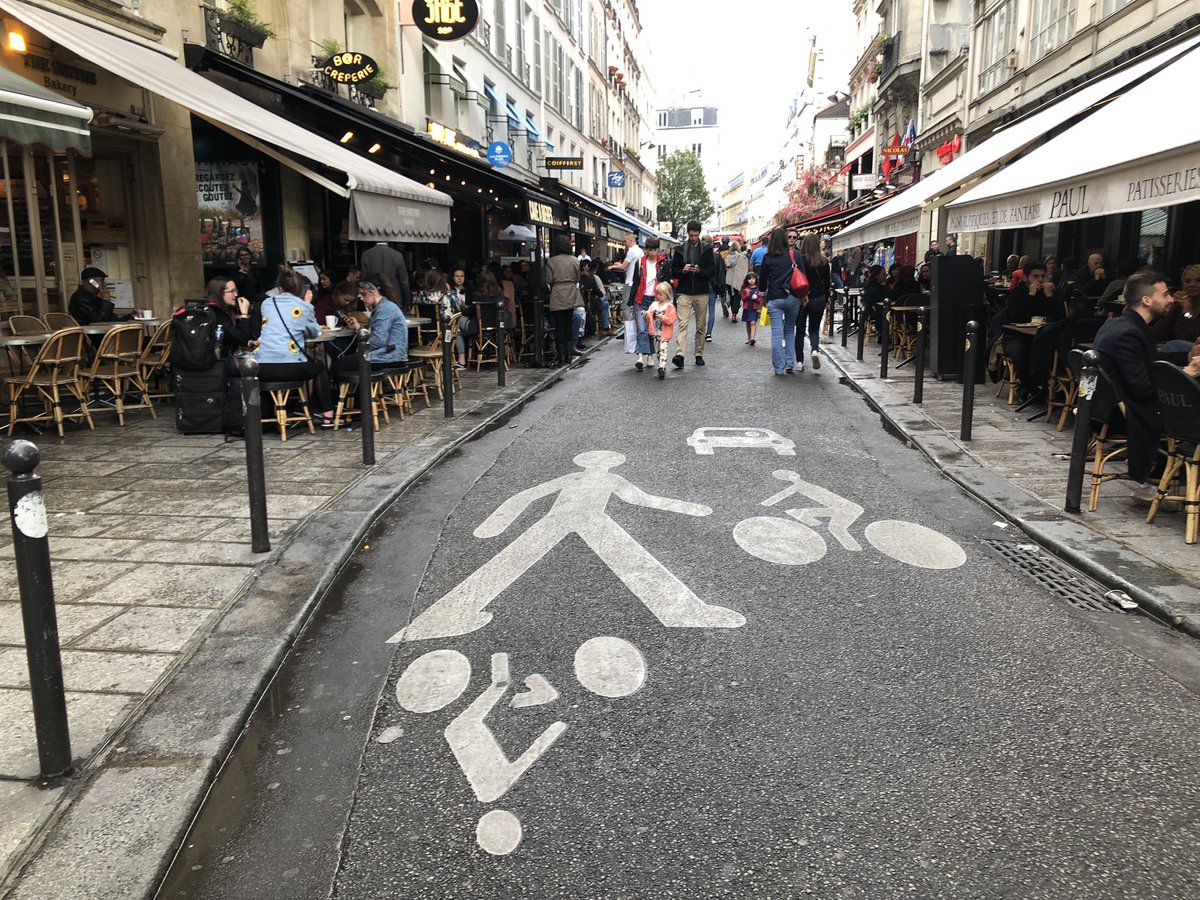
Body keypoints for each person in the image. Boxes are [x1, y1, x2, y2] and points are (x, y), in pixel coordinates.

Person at [1093, 269, 1200, 493]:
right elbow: (1141, 387)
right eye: (1165, 295)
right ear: (1146, 300)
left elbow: (1149, 362)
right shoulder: (1128, 333)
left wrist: (1185, 357)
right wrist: (1186, 374)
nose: (1171, 299)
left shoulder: (1122, 324)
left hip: (1120, 406)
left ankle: (1169, 474)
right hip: (1128, 414)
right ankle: (1180, 476)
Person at [253, 266, 332, 425]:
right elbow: (314, 333)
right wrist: (308, 305)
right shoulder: (302, 306)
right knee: (320, 365)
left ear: (279, 288)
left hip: (262, 366)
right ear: (300, 289)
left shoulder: (266, 304)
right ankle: (328, 414)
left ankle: (275, 413)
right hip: (290, 366)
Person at [1002, 261, 1064, 402]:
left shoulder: (1047, 292)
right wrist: (1030, 296)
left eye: (1042, 276)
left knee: (1050, 352)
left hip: (1041, 335)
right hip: (1016, 335)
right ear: (1026, 278)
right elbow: (1014, 317)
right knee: (1021, 352)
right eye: (1035, 276)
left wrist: (1050, 297)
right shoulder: (1018, 293)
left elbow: (1060, 318)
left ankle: (1043, 387)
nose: (1040, 280)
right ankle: (1028, 386)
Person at [331, 280, 408, 376]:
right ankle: (357, 390)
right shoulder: (384, 307)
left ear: (373, 293)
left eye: (363, 294)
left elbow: (379, 340)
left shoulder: (384, 309)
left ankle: (354, 390)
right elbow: (375, 335)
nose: (361, 298)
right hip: (389, 355)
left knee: (338, 364)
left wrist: (361, 348)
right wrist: (358, 327)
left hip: (388, 357)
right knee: (345, 361)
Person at [757, 226, 803, 375]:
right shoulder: (794, 254)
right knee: (790, 330)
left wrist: (763, 293)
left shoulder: (768, 256)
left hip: (775, 298)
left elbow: (762, 281)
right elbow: (803, 274)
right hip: (793, 297)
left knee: (776, 333)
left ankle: (779, 367)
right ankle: (790, 362)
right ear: (785, 239)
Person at [670, 221, 714, 369]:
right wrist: (683, 270)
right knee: (682, 324)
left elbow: (711, 271)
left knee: (701, 325)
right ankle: (680, 354)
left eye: (696, 235)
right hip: (684, 291)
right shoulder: (680, 250)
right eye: (691, 235)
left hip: (701, 292)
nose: (694, 238)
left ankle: (699, 354)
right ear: (687, 234)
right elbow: (674, 271)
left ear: (699, 234)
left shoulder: (707, 249)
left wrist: (699, 270)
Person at [545, 235, 582, 367]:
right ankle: (569, 355)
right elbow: (578, 279)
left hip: (558, 293)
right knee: (568, 323)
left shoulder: (551, 261)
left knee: (559, 325)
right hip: (571, 292)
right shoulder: (575, 260)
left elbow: (548, 280)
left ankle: (561, 356)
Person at [797, 233, 830, 371]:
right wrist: (827, 298)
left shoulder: (801, 260)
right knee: (814, 329)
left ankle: (799, 361)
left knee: (799, 330)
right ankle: (814, 350)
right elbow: (827, 283)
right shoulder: (824, 261)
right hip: (819, 298)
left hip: (803, 298)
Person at [629, 237, 661, 370]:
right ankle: (641, 356)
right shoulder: (640, 262)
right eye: (650, 250)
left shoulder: (663, 263)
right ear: (646, 250)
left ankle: (650, 356)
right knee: (641, 329)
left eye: (654, 250)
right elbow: (635, 281)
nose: (652, 253)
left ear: (658, 250)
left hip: (655, 300)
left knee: (650, 330)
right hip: (640, 299)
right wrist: (631, 301)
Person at [1152, 264, 1200, 351]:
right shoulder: (1179, 305)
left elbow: (1188, 337)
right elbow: (1157, 333)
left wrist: (1186, 312)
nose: (1192, 284)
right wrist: (1172, 306)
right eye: (1187, 281)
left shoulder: (1186, 308)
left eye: (1198, 280)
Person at [360, 241, 412, 310]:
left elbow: (364, 279)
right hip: (394, 297)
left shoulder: (366, 255)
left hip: (374, 297)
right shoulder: (397, 255)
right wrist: (408, 302)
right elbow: (404, 281)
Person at [644, 282, 678, 378]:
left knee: (663, 349)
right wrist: (647, 315)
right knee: (658, 351)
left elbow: (671, 320)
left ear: (667, 295)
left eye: (660, 294)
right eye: (657, 293)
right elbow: (649, 317)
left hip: (664, 333)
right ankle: (661, 364)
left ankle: (662, 367)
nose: (658, 296)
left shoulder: (670, 307)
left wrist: (662, 317)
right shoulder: (653, 304)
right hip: (655, 332)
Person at [609, 232, 643, 311]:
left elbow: (623, 266)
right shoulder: (640, 251)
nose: (625, 243)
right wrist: (619, 264)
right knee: (634, 302)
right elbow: (628, 265)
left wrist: (612, 266)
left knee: (626, 303)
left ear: (630, 240)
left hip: (630, 280)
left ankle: (628, 322)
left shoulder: (631, 251)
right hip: (637, 280)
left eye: (625, 241)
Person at [706, 241, 727, 339]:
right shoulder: (717, 256)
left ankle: (701, 332)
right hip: (713, 286)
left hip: (701, 286)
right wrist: (720, 287)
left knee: (701, 311)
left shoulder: (700, 256)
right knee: (711, 310)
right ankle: (709, 333)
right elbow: (722, 272)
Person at [725, 240, 749, 322]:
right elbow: (745, 269)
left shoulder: (728, 257)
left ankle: (732, 311)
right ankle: (734, 314)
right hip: (738, 280)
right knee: (737, 297)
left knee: (731, 296)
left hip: (729, 280)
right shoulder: (742, 257)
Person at [740, 273, 763, 346]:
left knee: (753, 322)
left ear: (756, 279)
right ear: (747, 280)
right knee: (747, 323)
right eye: (749, 279)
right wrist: (747, 294)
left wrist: (756, 298)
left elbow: (760, 299)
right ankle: (749, 337)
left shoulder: (758, 289)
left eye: (753, 278)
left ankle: (753, 338)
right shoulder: (746, 289)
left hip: (754, 309)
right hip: (747, 308)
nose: (751, 280)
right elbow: (743, 299)